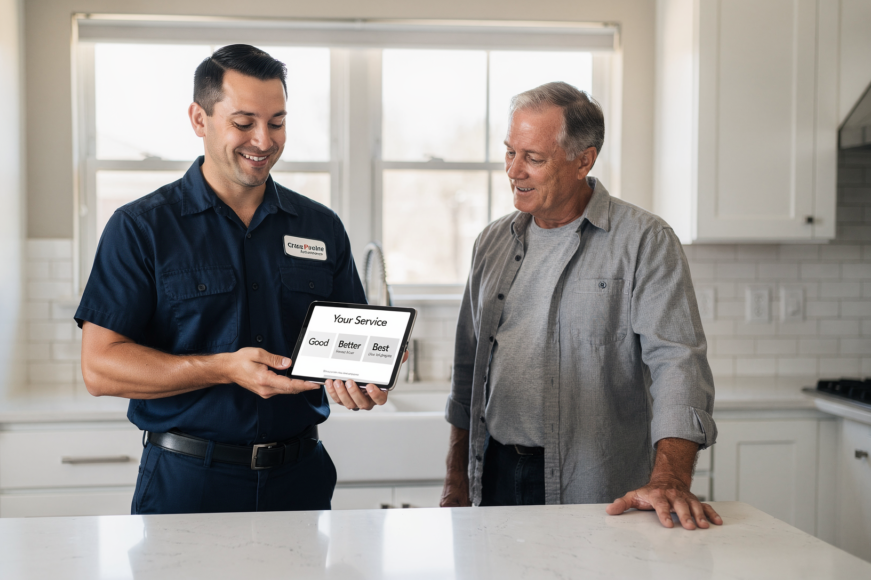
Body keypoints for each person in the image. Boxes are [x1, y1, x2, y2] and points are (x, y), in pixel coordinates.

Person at [75, 44, 387, 515]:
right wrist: (223, 368)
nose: (263, 141)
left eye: (277, 122)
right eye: (243, 123)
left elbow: (347, 348)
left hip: (301, 481)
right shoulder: (142, 227)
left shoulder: (320, 227)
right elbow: (100, 369)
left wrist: (368, 373)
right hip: (188, 483)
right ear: (200, 119)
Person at [440, 81, 722, 531]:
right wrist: (457, 477)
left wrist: (670, 478)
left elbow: (678, 364)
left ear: (583, 161)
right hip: (493, 476)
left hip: (596, 485)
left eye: (533, 158)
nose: (514, 171)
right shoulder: (492, 242)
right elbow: (467, 368)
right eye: (510, 152)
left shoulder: (644, 241)